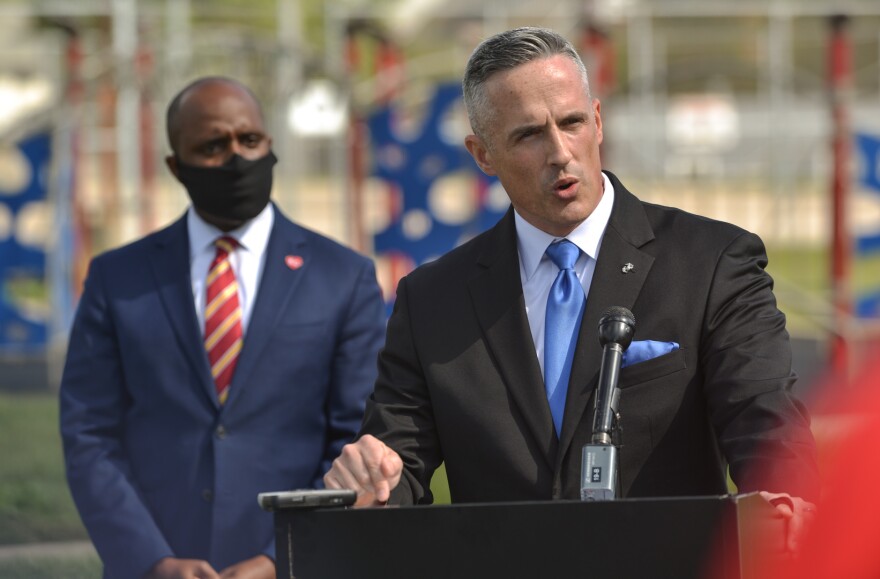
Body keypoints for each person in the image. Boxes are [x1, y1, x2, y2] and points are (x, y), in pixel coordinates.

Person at [324, 27, 819, 546]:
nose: (560, 152)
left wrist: (786, 505)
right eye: (529, 135)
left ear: (598, 122)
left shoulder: (712, 262)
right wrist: (371, 479)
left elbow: (766, 424)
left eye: (572, 122)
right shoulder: (432, 300)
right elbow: (397, 468)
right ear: (482, 154)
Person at [59, 76, 386, 579]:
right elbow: (89, 435)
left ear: (269, 145)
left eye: (249, 140)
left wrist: (281, 559)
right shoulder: (117, 278)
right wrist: (151, 561)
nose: (236, 158)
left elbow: (354, 437)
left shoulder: (343, 276)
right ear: (177, 166)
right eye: (212, 146)